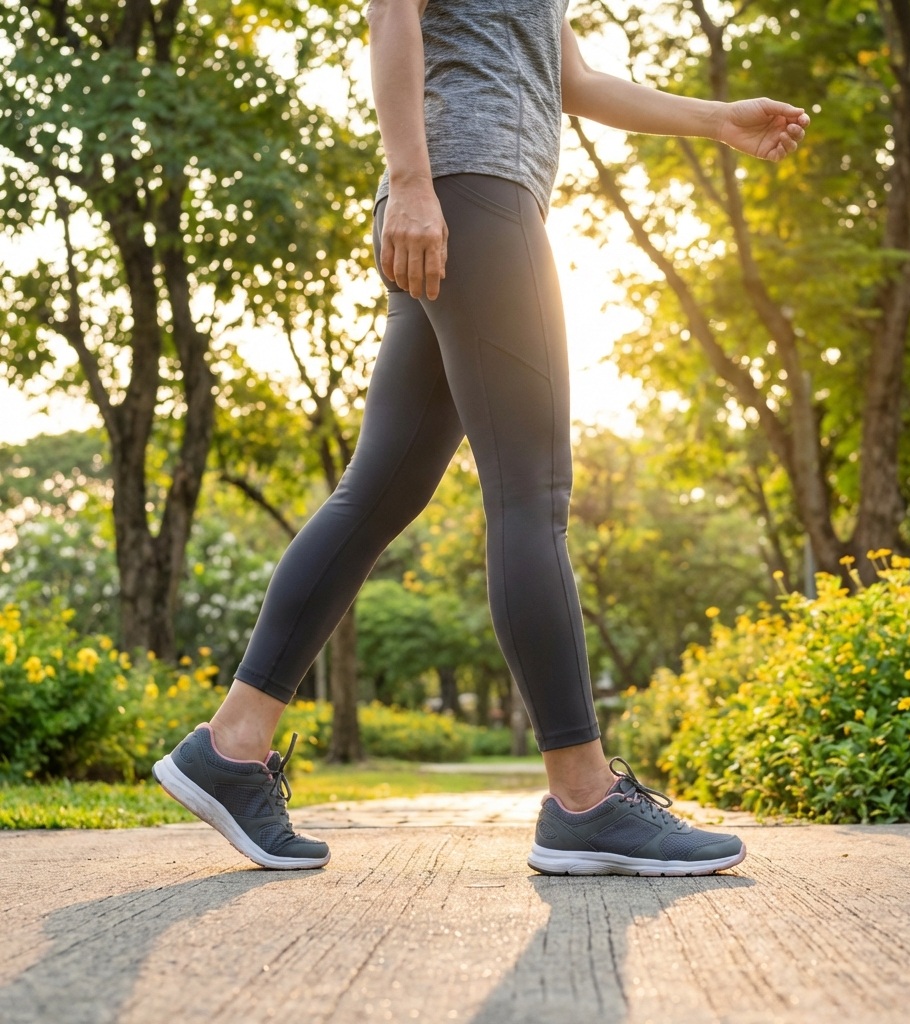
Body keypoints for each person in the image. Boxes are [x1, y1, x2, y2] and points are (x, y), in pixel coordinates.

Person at [153, 0, 809, 874]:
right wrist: (411, 182)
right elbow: (392, 11)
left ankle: (232, 747)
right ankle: (584, 797)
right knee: (531, 496)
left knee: (378, 492)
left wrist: (717, 120)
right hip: (469, 191)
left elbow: (572, 77)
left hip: (465, 193)